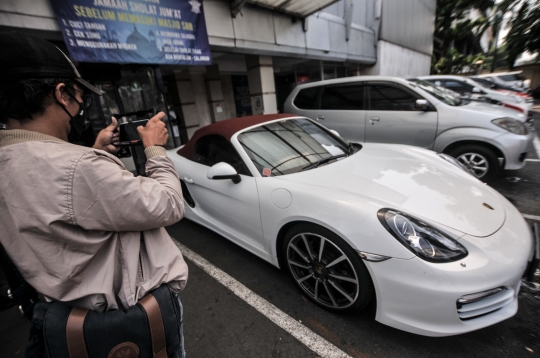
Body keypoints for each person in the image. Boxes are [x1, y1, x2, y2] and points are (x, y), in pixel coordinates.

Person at [0, 32, 188, 357]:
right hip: (129, 322)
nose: (82, 105)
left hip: (63, 316)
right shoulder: (80, 167)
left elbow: (61, 195)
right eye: (80, 96)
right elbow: (169, 204)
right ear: (62, 94)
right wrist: (155, 149)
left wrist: (95, 152)